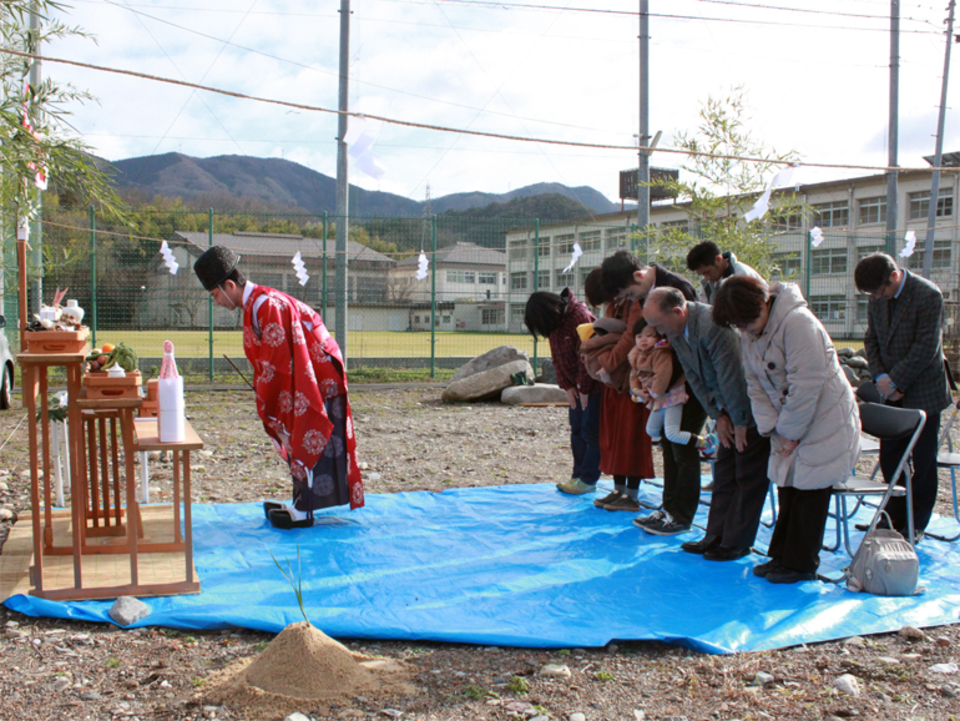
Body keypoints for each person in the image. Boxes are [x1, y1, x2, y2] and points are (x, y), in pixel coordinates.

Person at [194, 246, 364, 529]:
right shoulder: (258, 303)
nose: (217, 303)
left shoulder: (266, 305)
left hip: (318, 375)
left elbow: (278, 365)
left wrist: (268, 400)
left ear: (229, 285)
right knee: (297, 434)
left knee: (305, 433)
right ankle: (301, 503)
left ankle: (303, 509)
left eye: (215, 296)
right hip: (311, 371)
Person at [712, 276, 861, 583]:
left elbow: (807, 386)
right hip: (788, 421)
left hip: (824, 419)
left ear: (764, 304)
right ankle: (780, 556)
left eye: (748, 323)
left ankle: (801, 564)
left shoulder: (798, 323)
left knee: (809, 491)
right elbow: (754, 384)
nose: (745, 331)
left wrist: (790, 433)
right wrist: (774, 430)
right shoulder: (750, 332)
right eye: (739, 326)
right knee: (787, 488)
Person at [643, 287, 770, 557]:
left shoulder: (713, 325)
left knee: (746, 475)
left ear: (677, 312)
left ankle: (736, 542)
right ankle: (715, 536)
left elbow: (732, 377)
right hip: (726, 409)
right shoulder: (676, 330)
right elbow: (694, 377)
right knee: (724, 473)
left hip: (749, 409)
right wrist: (718, 417)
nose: (658, 333)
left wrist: (737, 421)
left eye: (658, 325)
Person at [599, 251, 705, 534]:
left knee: (682, 448)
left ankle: (681, 515)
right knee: (669, 447)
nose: (632, 300)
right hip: (665, 386)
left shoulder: (675, 289)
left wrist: (666, 383)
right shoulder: (647, 294)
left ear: (638, 276)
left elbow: (688, 343)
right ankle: (668, 508)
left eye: (629, 292)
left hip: (688, 381)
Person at [855, 252, 952, 540]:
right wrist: (882, 378)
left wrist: (897, 380)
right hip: (889, 391)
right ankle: (892, 516)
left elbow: (927, 346)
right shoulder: (877, 296)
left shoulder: (927, 295)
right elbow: (871, 339)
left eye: (881, 291)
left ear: (894, 276)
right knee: (891, 459)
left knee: (922, 462)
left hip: (923, 389)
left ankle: (915, 523)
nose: (878, 298)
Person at [580, 267, 655, 512]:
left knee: (631, 438)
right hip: (613, 383)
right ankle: (618, 489)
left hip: (631, 380)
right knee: (611, 437)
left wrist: (607, 364)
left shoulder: (636, 304)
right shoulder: (616, 304)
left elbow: (628, 337)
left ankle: (631, 495)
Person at [524, 289, 602, 495]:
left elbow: (587, 356)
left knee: (590, 432)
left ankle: (588, 479)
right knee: (576, 429)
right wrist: (567, 386)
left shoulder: (579, 317)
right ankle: (577, 476)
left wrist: (584, 389)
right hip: (575, 388)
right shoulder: (555, 324)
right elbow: (557, 359)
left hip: (593, 387)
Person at [628, 321, 714, 456]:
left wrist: (654, 393)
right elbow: (633, 375)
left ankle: (704, 442)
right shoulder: (636, 355)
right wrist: (636, 390)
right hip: (657, 397)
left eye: (649, 335)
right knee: (651, 430)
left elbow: (662, 375)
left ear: (659, 337)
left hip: (671, 396)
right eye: (639, 336)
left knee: (672, 433)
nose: (643, 339)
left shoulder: (660, 352)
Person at [685, 241, 762, 305]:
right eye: (702, 274)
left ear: (718, 259)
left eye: (707, 272)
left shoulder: (741, 274)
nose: (706, 277)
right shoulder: (707, 284)